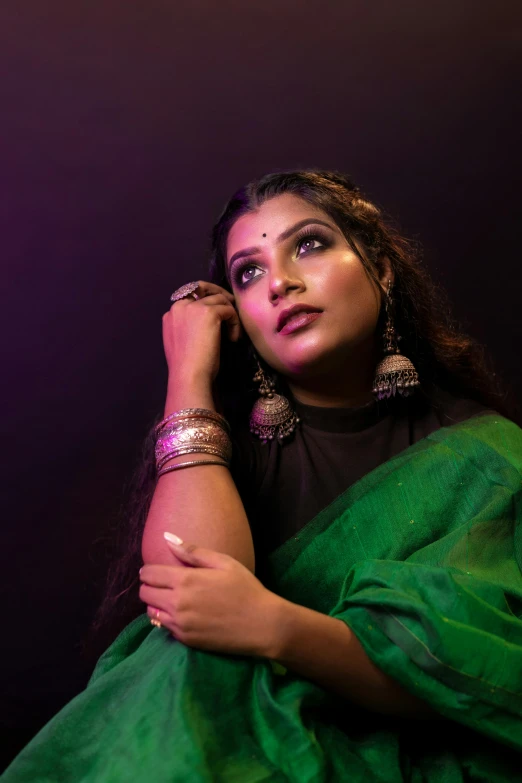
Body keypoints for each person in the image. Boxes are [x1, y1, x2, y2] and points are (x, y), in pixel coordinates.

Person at [3, 169, 522, 782]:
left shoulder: (483, 455)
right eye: (248, 273)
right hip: (229, 748)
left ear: (380, 269)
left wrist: (277, 626)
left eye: (309, 245)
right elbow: (188, 604)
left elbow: (479, 671)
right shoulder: (229, 450)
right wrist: (189, 375)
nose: (281, 283)